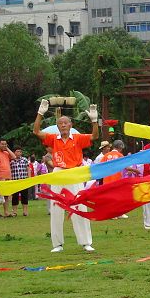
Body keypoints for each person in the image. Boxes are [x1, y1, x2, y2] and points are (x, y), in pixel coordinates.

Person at [33, 99, 99, 253]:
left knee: (79, 205)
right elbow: (36, 131)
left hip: (74, 173)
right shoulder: (53, 139)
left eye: (65, 123)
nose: (63, 125)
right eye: (60, 123)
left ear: (70, 125)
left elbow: (94, 136)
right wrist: (40, 113)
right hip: (58, 172)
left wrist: (95, 121)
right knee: (56, 207)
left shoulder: (77, 138)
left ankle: (85, 242)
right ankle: (57, 244)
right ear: (58, 126)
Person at [8, 147, 30, 217]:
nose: (19, 153)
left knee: (25, 196)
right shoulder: (11, 161)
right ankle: (14, 211)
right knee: (15, 197)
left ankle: (25, 211)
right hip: (15, 181)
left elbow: (28, 169)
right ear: (14, 152)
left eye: (20, 151)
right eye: (17, 151)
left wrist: (29, 178)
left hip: (24, 180)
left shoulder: (24, 160)